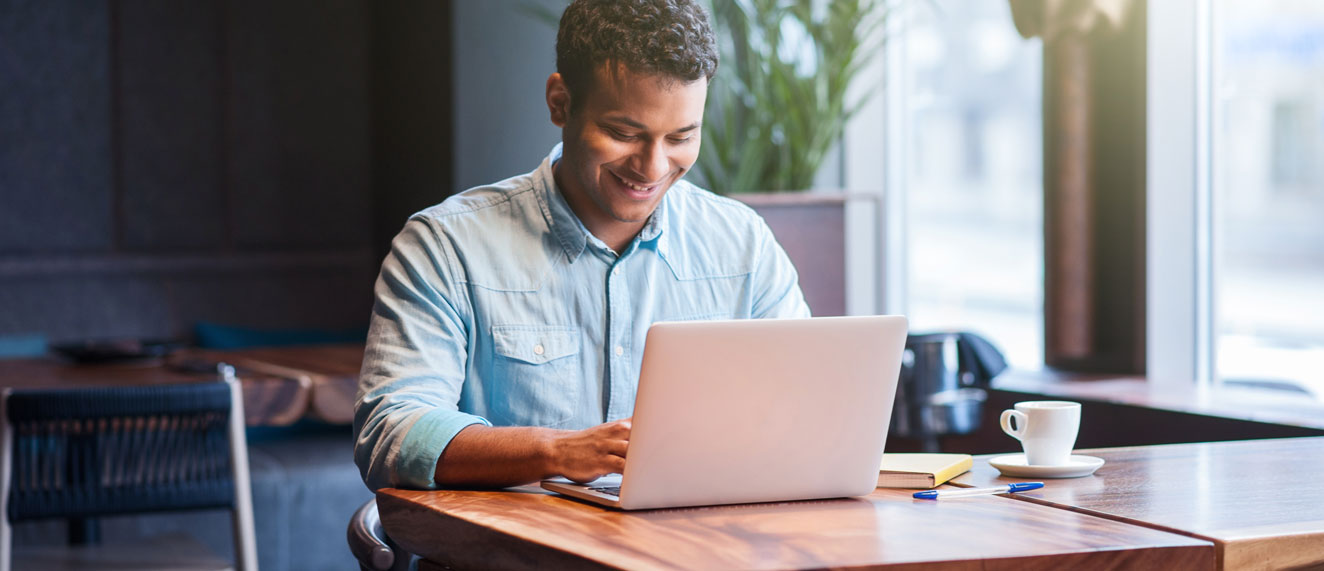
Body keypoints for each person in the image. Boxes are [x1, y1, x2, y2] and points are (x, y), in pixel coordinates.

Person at [354, 0, 810, 492]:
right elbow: (393, 433)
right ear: (560, 103)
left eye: (681, 136)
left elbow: (808, 414)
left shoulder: (743, 245)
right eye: (623, 133)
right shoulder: (446, 247)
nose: (653, 168)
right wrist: (558, 452)